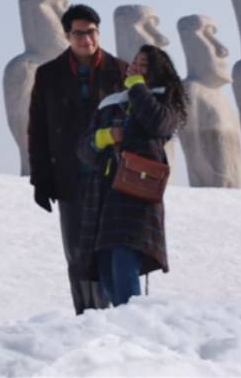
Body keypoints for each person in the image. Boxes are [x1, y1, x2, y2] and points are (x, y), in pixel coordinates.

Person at [28, 4, 129, 314]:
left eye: (91, 31)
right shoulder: (48, 75)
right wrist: (41, 180)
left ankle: (115, 315)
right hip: (71, 176)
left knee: (112, 247)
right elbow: (38, 129)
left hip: (112, 176)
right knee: (77, 252)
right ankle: (85, 316)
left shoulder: (121, 71)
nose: (86, 38)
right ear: (67, 35)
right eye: (78, 33)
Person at [74, 43, 186, 307]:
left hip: (137, 194)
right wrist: (103, 137)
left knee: (125, 260)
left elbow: (158, 124)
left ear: (157, 73)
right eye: (134, 63)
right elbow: (83, 149)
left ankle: (134, 324)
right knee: (105, 269)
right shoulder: (111, 103)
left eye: (143, 67)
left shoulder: (163, 102)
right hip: (105, 193)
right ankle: (123, 324)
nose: (135, 68)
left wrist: (137, 87)